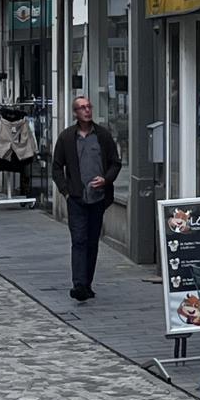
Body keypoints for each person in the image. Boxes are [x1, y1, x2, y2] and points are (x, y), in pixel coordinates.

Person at [51, 96, 121, 302]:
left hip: (98, 198)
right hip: (76, 198)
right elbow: (57, 167)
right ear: (75, 113)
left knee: (92, 241)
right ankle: (79, 284)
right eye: (82, 108)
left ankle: (87, 283)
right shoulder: (67, 138)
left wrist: (106, 179)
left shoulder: (102, 136)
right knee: (79, 240)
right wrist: (65, 191)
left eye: (89, 107)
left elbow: (115, 163)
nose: (87, 110)